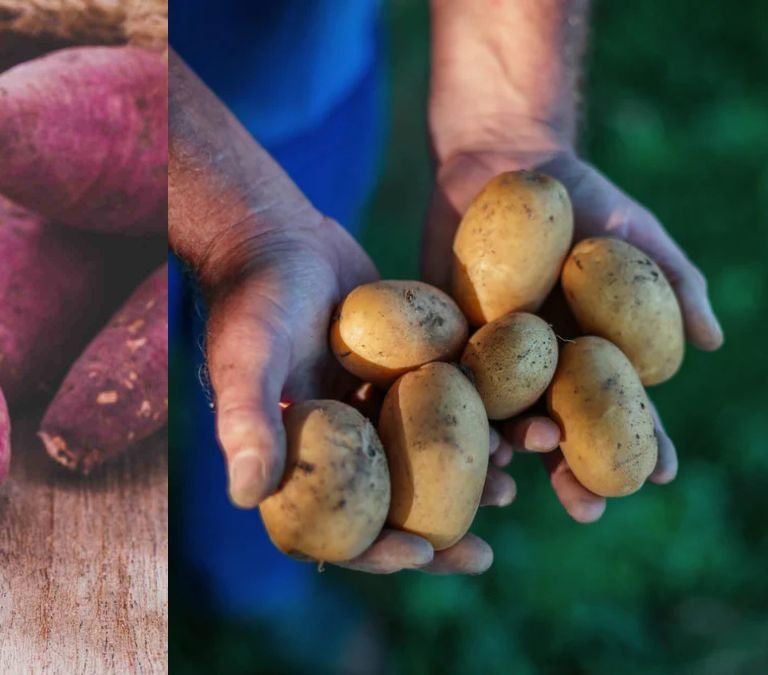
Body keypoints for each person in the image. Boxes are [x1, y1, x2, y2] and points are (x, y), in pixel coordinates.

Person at [169, 0, 724, 598]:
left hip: (304, 84)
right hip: (81, 129)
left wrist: (507, 123)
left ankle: (255, 588)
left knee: (282, 396)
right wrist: (233, 224)